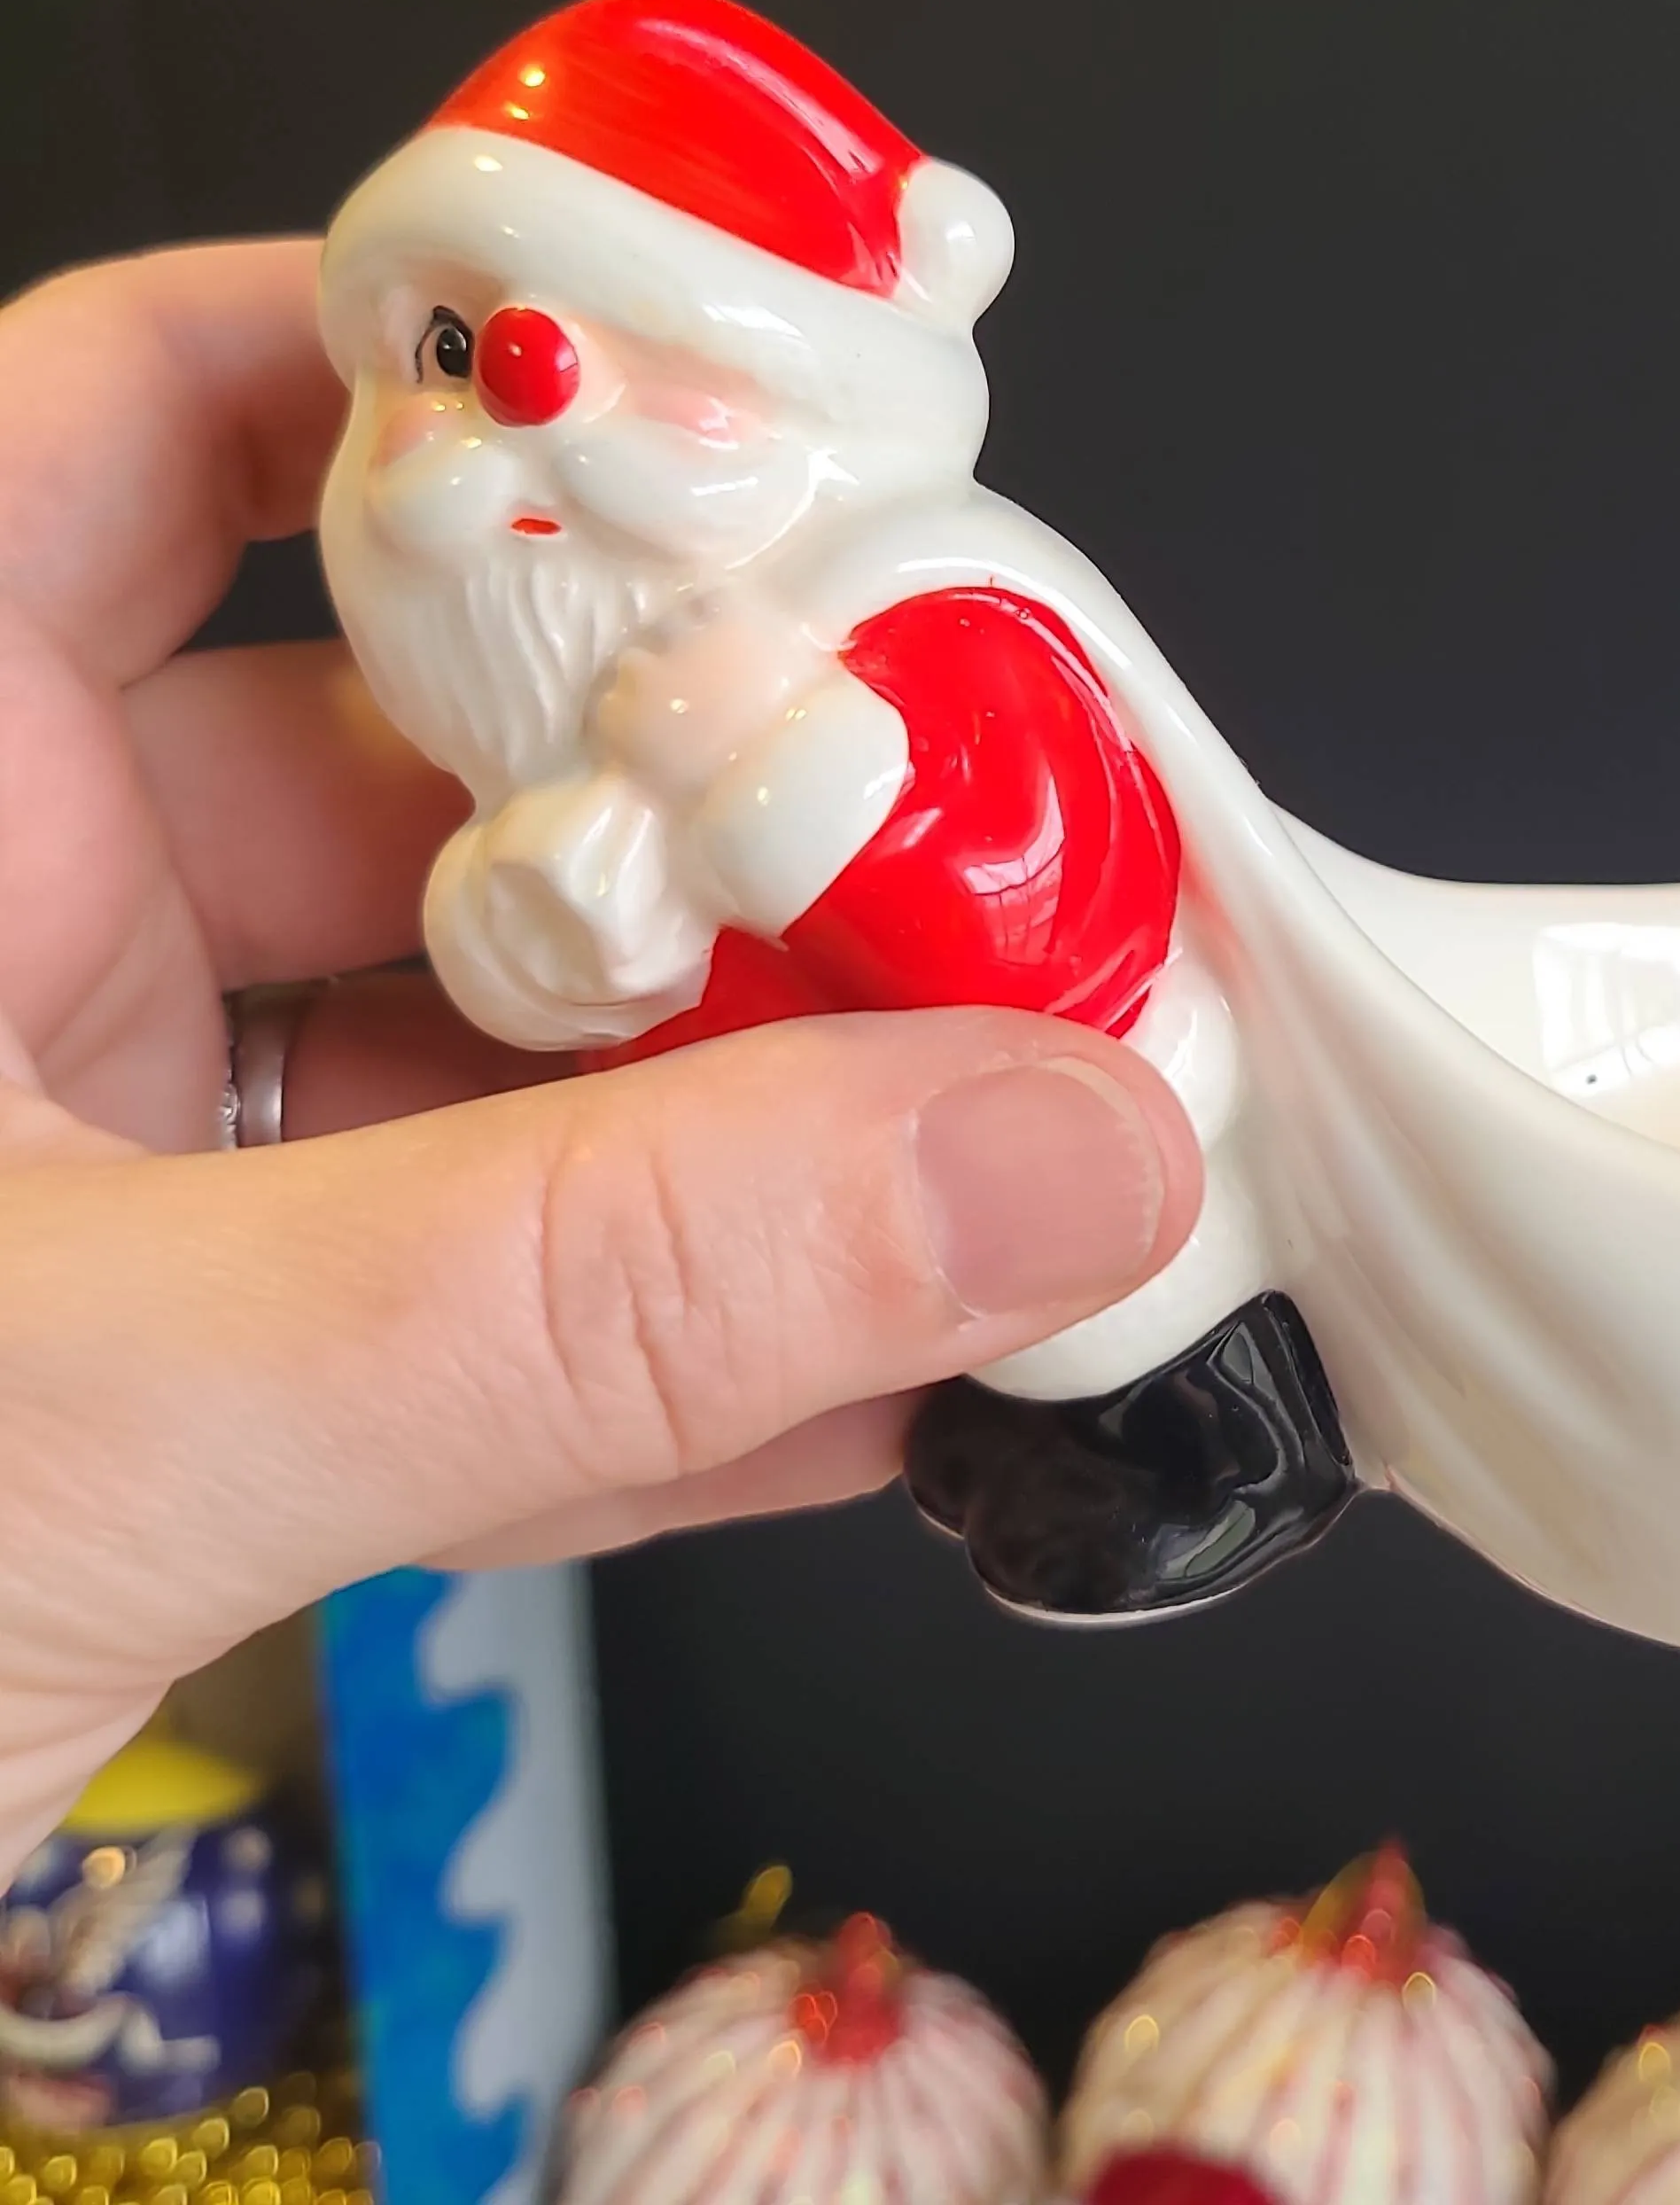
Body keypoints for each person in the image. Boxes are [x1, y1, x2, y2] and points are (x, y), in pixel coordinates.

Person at [0, 238, 1205, 1882]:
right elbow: (550, 969)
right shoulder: (547, 737)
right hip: (816, 1185)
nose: (481, 453)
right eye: (444, 363)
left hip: (1092, 1145)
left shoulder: (938, 625)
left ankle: (1187, 1445)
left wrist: (778, 780)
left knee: (1121, 1336)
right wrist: (552, 919)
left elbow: (1036, 909)